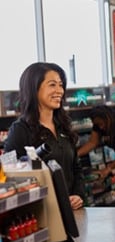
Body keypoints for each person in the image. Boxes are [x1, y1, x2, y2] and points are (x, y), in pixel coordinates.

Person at [4, 62, 84, 210]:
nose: (59, 90)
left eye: (61, 85)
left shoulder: (64, 126)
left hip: (72, 211)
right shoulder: (20, 130)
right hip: (42, 213)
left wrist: (78, 195)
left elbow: (76, 168)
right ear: (33, 88)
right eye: (52, 85)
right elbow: (11, 178)